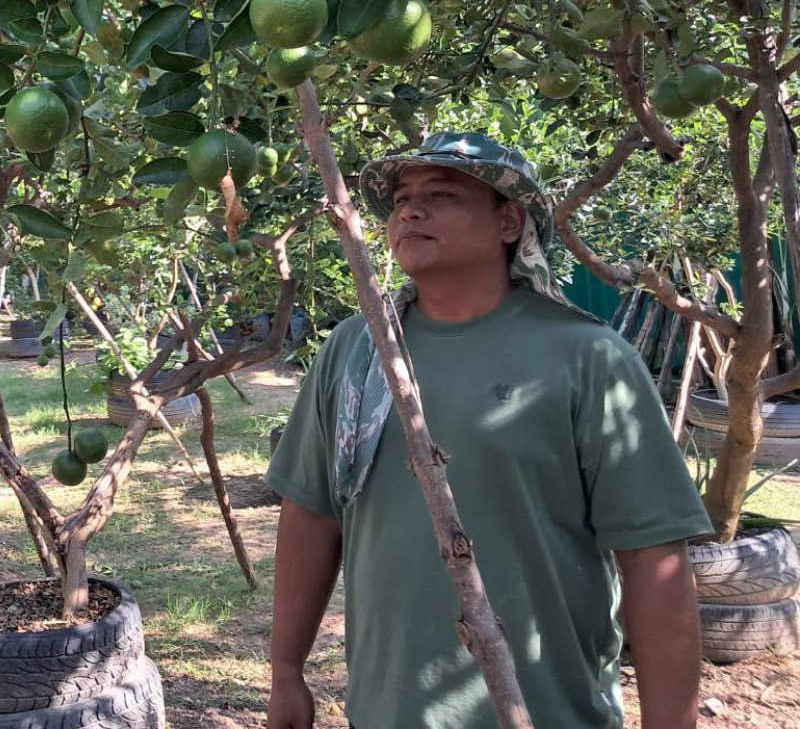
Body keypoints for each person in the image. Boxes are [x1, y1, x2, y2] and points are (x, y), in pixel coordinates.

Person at [266, 132, 710, 729]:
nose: (410, 211)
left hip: (548, 711)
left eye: (442, 195)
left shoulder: (587, 358)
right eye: (401, 199)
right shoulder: (358, 350)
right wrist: (286, 671)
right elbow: (311, 515)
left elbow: (653, 557)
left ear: (509, 222)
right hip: (387, 712)